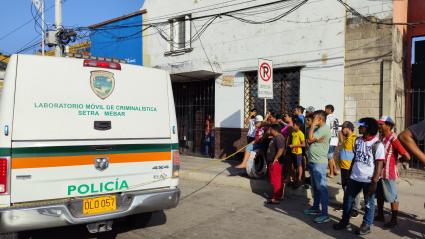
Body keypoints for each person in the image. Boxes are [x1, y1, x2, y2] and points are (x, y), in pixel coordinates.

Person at [333, 118, 385, 235]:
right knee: (347, 201)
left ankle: (366, 225)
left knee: (368, 204)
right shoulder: (357, 141)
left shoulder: (377, 145)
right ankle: (344, 221)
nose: (359, 128)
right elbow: (355, 159)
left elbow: (379, 165)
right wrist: (349, 175)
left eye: (361, 126)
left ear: (368, 128)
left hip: (368, 180)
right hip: (354, 178)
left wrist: (374, 182)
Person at [376, 116, 411, 228]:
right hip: (379, 171)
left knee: (392, 196)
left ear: (389, 125)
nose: (379, 126)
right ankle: (380, 214)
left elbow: (406, 155)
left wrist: (397, 161)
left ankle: (394, 219)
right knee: (379, 195)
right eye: (379, 124)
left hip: (388, 172)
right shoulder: (381, 136)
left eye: (381, 124)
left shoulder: (393, 138)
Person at [304, 110, 331, 224]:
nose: (313, 120)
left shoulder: (324, 129)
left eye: (315, 118)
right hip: (313, 161)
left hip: (319, 162)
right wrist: (312, 136)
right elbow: (308, 140)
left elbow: (310, 139)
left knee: (321, 188)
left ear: (320, 119)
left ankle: (325, 214)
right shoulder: (317, 129)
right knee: (315, 187)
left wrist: (313, 127)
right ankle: (315, 207)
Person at [338, 121, 360, 218]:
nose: (342, 130)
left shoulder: (355, 139)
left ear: (349, 128)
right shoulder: (347, 139)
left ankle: (355, 209)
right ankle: (346, 205)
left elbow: (356, 154)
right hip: (343, 168)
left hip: (350, 168)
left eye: (343, 128)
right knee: (345, 187)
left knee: (353, 189)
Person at [265, 124, 286, 204]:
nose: (269, 131)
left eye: (270, 129)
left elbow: (281, 149)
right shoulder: (275, 137)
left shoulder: (279, 137)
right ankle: (278, 196)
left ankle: (276, 198)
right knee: (276, 179)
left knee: (276, 180)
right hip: (273, 162)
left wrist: (275, 159)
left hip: (276, 162)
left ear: (274, 130)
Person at [290, 118, 305, 187]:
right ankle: (294, 178)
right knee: (293, 166)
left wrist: (294, 145)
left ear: (298, 126)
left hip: (298, 152)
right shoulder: (293, 132)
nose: (293, 126)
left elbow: (303, 144)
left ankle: (299, 178)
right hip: (293, 152)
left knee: (299, 165)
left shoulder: (301, 134)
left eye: (294, 125)